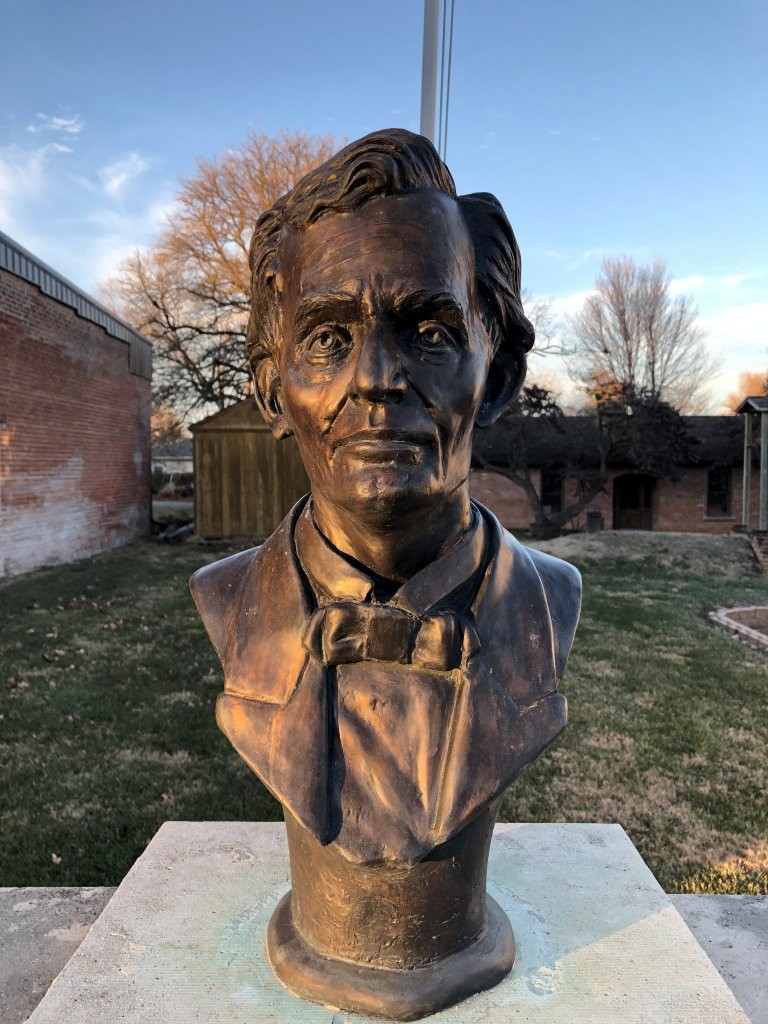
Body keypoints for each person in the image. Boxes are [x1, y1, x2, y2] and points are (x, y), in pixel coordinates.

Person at [190, 129, 581, 867]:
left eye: (430, 331)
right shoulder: (228, 599)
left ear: (497, 379)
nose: (375, 376)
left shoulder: (549, 605)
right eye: (328, 339)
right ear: (274, 390)